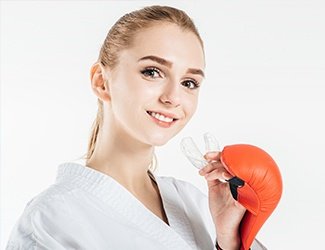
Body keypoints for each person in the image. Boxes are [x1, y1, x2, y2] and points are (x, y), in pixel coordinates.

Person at [6, 5, 266, 250]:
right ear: (101, 81)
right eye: (152, 72)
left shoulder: (193, 202)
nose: (173, 97)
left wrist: (229, 240)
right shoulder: (50, 221)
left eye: (189, 83)